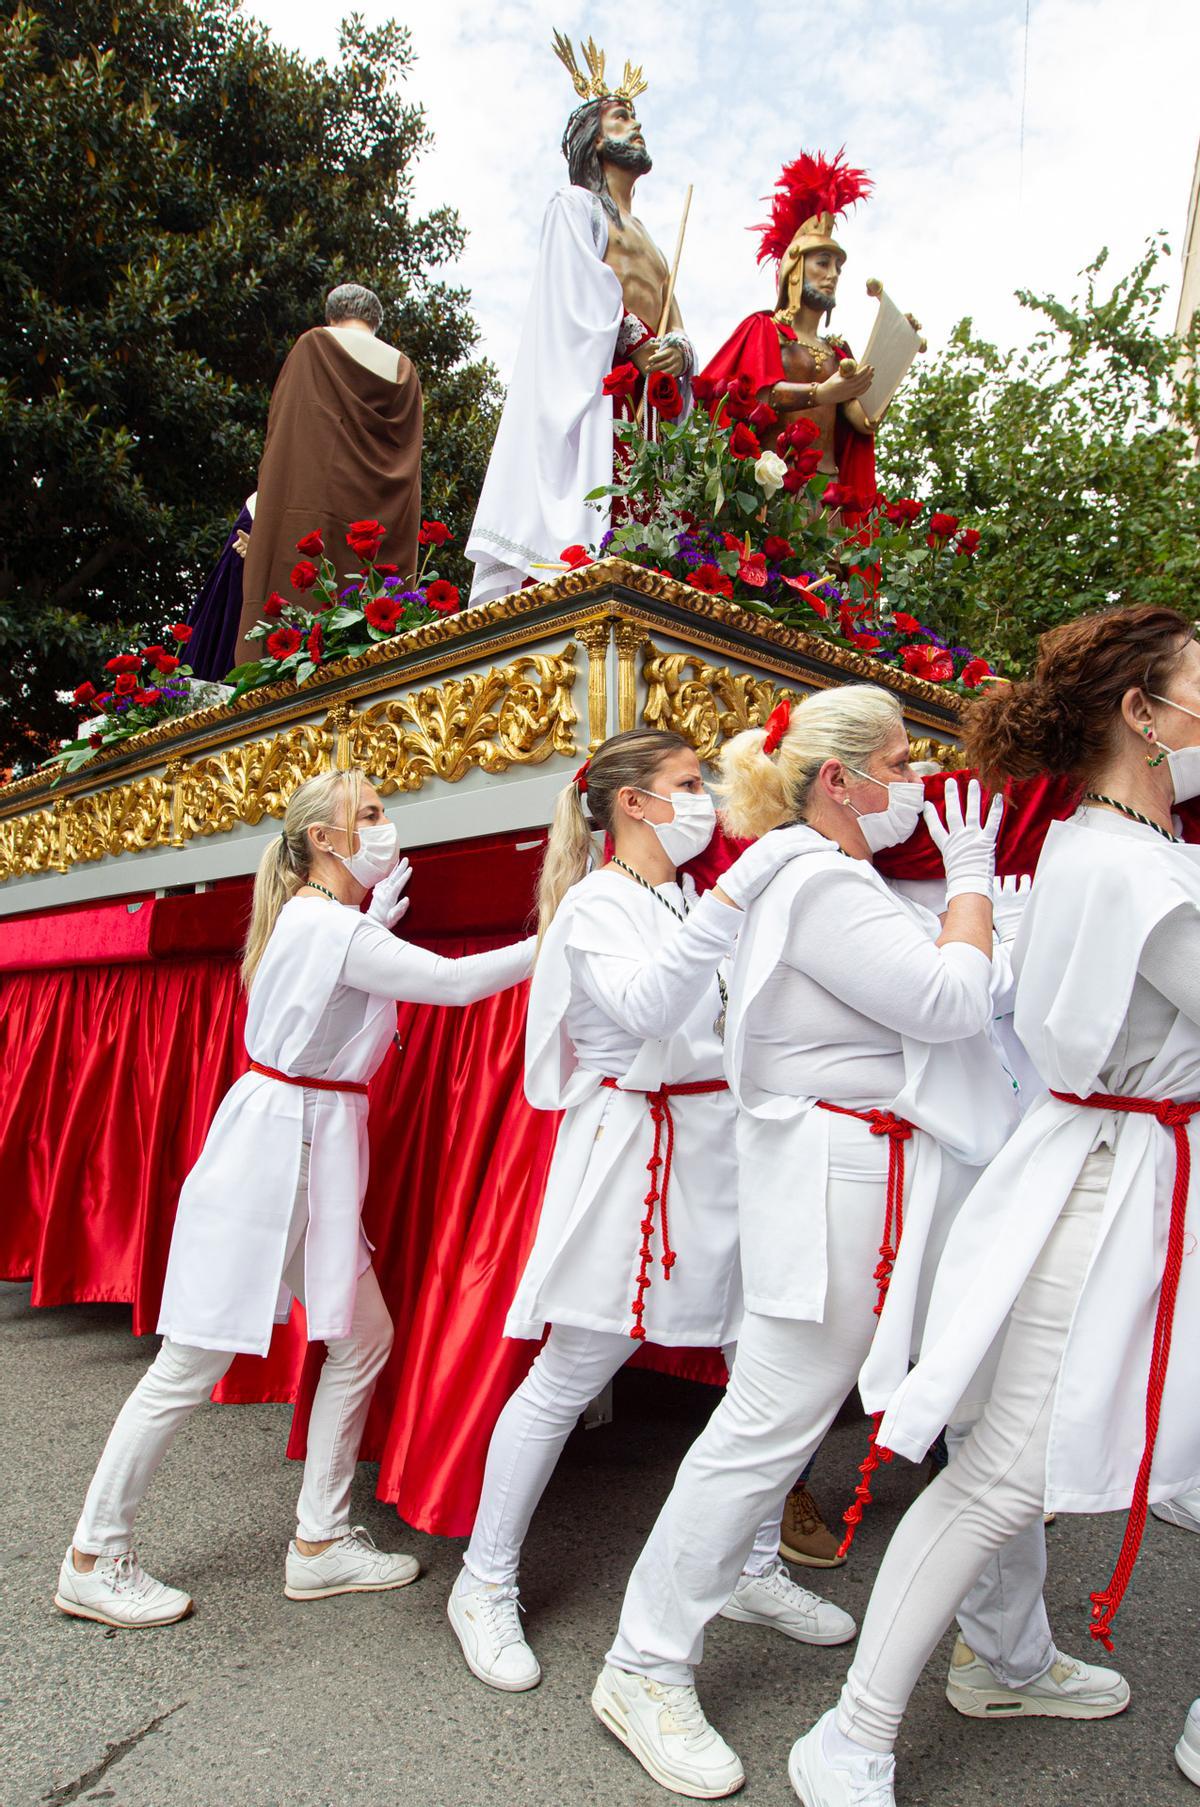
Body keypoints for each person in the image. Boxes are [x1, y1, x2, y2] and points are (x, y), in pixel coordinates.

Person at [594, 683, 1043, 1799]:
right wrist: (976, 889)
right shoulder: (823, 881)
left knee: (979, 1396)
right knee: (770, 1418)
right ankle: (642, 1661)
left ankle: (1008, 1646)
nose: (918, 783)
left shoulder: (820, 873)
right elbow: (947, 1001)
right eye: (899, 761)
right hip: (840, 1172)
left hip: (874, 1167)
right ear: (838, 779)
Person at [789, 604, 1200, 1807]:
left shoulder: (1118, 846)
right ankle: (852, 1733)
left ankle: (994, 1665)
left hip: (1128, 1170)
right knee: (1001, 1475)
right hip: (1113, 1187)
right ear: (1142, 712)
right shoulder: (1134, 870)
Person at [55, 768, 533, 1630]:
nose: (390, 827)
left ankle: (319, 1540)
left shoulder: (327, 924)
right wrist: (561, 936)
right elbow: (456, 986)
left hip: (310, 1144)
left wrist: (370, 928)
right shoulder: (325, 925)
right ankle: (94, 1552)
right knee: (190, 1362)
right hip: (281, 1151)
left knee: (362, 1336)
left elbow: (350, 995)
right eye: (372, 815)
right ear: (325, 838)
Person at [448, 728, 840, 1692]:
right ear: (633, 803)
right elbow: (654, 1009)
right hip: (637, 1154)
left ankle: (749, 1568)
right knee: (572, 1369)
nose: (706, 799)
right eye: (688, 784)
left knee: (764, 1364)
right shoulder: (595, 906)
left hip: (725, 1150)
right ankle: (483, 1580)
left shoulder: (679, 894)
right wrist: (736, 899)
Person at [465, 36, 694, 606]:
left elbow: (677, 316)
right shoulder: (576, 206)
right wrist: (639, 343)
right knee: (594, 523)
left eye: (636, 118)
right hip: (602, 395)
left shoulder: (654, 243)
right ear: (596, 141)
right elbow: (579, 290)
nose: (636, 127)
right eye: (622, 118)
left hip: (649, 403)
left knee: (654, 532)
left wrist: (679, 351)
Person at [235, 283, 422, 651]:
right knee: (370, 603)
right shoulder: (405, 370)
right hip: (382, 519)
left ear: (332, 315)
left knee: (309, 605)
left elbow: (290, 437)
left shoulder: (315, 345)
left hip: (317, 498)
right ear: (375, 320)